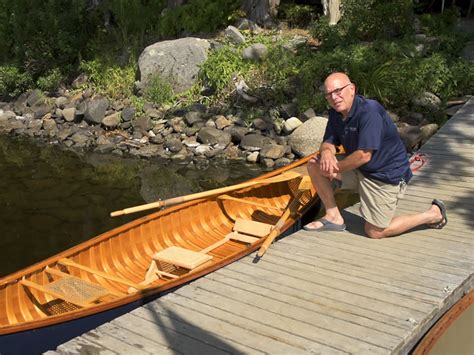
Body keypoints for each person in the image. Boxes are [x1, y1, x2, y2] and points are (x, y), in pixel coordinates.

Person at [304, 72, 447, 238]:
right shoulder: (337, 112)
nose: (334, 97)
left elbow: (364, 155)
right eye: (329, 94)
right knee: (315, 165)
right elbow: (328, 141)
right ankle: (334, 216)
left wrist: (333, 168)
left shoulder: (369, 111)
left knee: (375, 232)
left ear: (352, 89)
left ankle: (432, 215)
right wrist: (327, 153)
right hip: (360, 170)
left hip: (385, 175)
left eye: (338, 91)